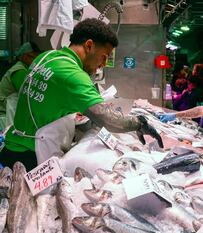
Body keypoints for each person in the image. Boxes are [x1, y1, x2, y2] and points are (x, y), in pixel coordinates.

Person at [0, 18, 162, 170]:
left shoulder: (46, 57)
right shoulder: (73, 75)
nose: (103, 64)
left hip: (11, 148)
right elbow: (109, 120)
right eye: (104, 57)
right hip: (31, 157)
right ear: (89, 45)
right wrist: (139, 123)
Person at [0, 42, 41, 129]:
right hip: (4, 116)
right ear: (25, 57)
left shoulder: (25, 69)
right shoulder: (19, 71)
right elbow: (29, 94)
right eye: (35, 57)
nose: (37, 62)